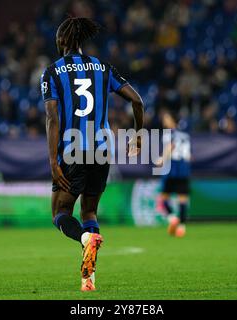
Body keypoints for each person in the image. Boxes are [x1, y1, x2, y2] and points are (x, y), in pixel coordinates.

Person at [41, 17, 144, 291]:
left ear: (62, 40)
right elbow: (137, 100)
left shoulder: (52, 72)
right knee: (89, 211)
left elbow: (52, 118)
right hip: (101, 151)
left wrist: (53, 160)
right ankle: (89, 278)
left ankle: (86, 240)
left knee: (60, 212)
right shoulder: (103, 67)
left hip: (71, 151)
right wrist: (138, 136)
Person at [155, 112, 192, 237]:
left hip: (172, 168)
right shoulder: (185, 135)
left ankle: (172, 218)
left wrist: (162, 158)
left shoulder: (168, 134)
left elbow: (171, 145)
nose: (164, 121)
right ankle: (181, 227)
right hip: (184, 169)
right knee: (183, 200)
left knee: (163, 199)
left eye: (166, 118)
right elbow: (189, 156)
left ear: (173, 120)